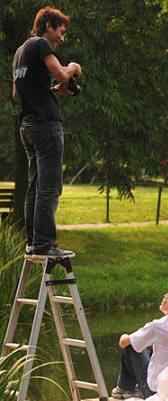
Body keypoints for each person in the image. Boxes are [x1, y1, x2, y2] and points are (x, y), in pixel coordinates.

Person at [12, 7, 81, 259]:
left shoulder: (20, 52)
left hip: (27, 127)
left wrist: (50, 89)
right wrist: (74, 67)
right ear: (48, 25)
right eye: (61, 31)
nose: (62, 38)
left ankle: (33, 242)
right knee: (50, 187)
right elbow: (63, 72)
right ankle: (45, 243)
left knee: (34, 186)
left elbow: (17, 96)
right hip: (45, 125)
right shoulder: (41, 44)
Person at [111, 281, 168, 400]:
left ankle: (124, 388)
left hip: (155, 391)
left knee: (132, 345)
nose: (165, 295)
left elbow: (124, 343)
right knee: (146, 344)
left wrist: (125, 336)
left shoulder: (159, 326)